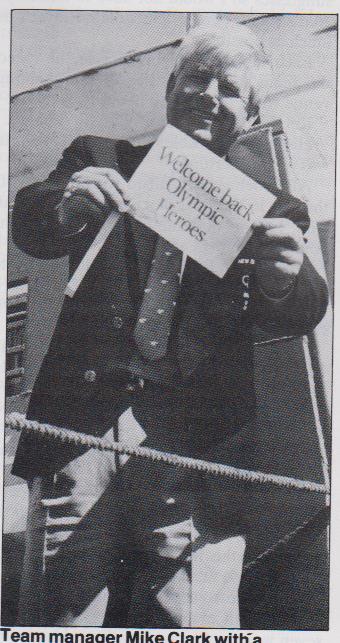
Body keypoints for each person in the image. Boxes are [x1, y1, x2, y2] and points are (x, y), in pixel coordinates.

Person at [11, 21, 328, 628]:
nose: (210, 95)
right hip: (83, 426)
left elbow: (305, 305)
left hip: (189, 438)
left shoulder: (271, 209)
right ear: (169, 89)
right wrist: (64, 202)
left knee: (178, 615)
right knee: (61, 616)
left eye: (230, 89)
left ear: (251, 114)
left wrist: (286, 277)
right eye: (197, 78)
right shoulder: (101, 159)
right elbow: (28, 222)